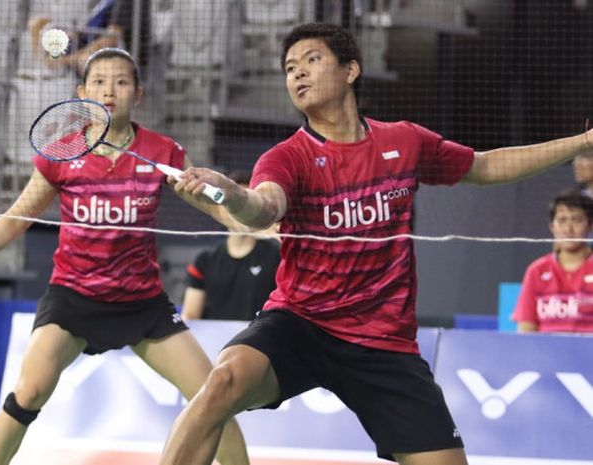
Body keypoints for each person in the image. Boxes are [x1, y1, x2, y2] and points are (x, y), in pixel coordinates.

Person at [159, 23, 593, 465]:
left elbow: (484, 167)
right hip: (301, 323)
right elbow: (264, 207)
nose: (298, 75)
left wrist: (582, 143)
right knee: (222, 382)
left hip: (384, 342)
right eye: (290, 68)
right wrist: (229, 192)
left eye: (312, 60)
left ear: (351, 70)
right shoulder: (287, 157)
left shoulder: (403, 142)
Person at [0, 48, 248, 465]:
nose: (109, 90)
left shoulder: (162, 151)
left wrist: (260, 225)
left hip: (141, 303)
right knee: (28, 393)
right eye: (99, 81)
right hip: (73, 298)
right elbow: (15, 219)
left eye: (121, 82)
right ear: (82, 92)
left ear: (137, 93)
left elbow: (217, 209)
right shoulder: (61, 155)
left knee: (215, 397)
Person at [182, 170, 280, 321]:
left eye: (247, 205)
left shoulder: (277, 256)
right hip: (214, 341)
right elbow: (190, 315)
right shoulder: (206, 260)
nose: (241, 212)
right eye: (235, 204)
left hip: (259, 338)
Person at [512, 191, 593, 333]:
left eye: (577, 220)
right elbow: (526, 328)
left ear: (590, 225)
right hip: (546, 352)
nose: (568, 229)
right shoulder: (537, 270)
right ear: (552, 227)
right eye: (562, 221)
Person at [28, 0, 150, 75]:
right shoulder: (100, 2)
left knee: (85, 58)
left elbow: (111, 38)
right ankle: (42, 66)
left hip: (100, 51)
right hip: (81, 40)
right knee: (37, 23)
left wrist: (69, 59)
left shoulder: (126, 2)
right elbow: (91, 26)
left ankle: (54, 64)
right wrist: (75, 32)